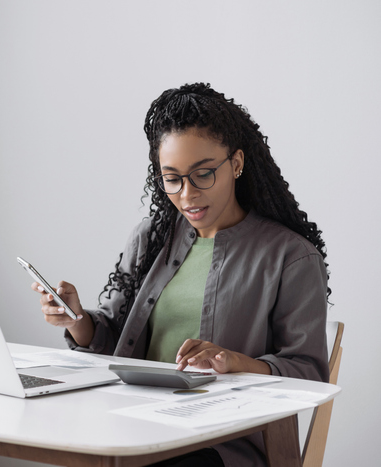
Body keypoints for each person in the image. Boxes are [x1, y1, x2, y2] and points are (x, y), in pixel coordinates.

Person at [31, 83, 330, 467]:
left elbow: (308, 373)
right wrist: (77, 321)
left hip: (221, 445)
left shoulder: (290, 257)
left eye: (203, 173)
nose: (187, 194)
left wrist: (233, 361)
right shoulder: (152, 238)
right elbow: (115, 341)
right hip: (130, 425)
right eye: (172, 178)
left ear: (236, 163)